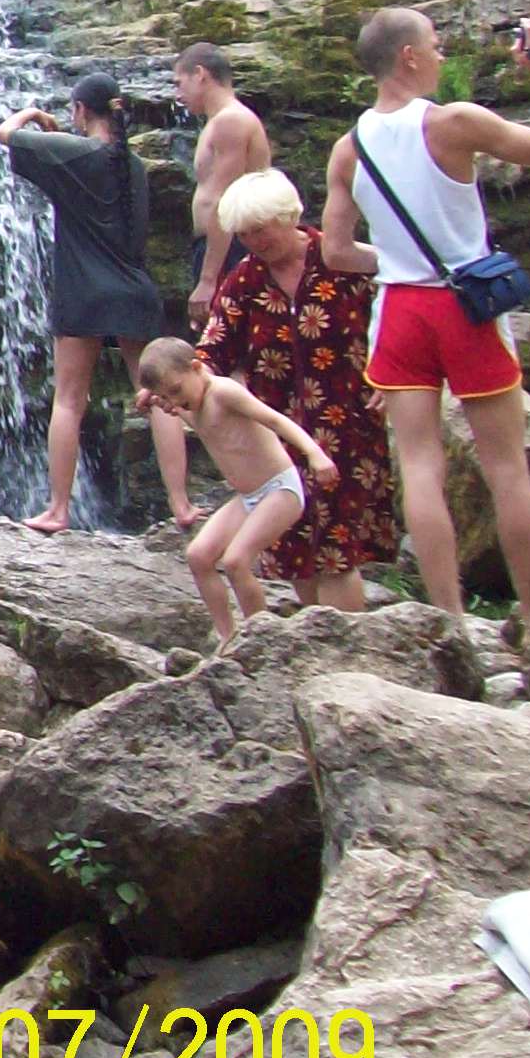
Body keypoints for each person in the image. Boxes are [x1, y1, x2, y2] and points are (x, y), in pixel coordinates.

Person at [320, 7, 530, 643]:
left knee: (420, 466)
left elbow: (337, 252)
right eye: (436, 47)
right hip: (462, 307)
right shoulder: (453, 123)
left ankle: (450, 627)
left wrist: (393, 260)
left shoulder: (350, 146)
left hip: (399, 312)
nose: (443, 57)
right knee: (505, 468)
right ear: (409, 58)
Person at [194, 167, 397, 614]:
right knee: (297, 551)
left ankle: (351, 655)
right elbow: (212, 350)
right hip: (280, 438)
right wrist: (177, 386)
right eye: (243, 235)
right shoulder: (245, 281)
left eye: (260, 230)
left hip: (348, 425)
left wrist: (391, 371)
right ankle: (318, 650)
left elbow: (395, 315)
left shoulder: (341, 259)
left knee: (337, 553)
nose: (253, 242)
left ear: (289, 217)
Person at [0, 75, 163, 534]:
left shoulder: (73, 152)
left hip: (85, 292)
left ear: (81, 111)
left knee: (70, 401)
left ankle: (58, 510)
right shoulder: (132, 165)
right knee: (158, 396)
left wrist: (33, 116)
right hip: (135, 289)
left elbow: (4, 134)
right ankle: (184, 503)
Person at [134, 336, 342, 643]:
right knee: (199, 555)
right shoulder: (190, 402)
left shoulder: (224, 392)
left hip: (279, 489)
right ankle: (228, 637)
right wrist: (154, 399)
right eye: (168, 396)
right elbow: (178, 403)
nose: (175, 401)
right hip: (249, 498)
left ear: (196, 367)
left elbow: (277, 421)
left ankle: (261, 639)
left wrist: (315, 454)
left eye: (176, 391)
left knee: (235, 561)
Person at [160, 44, 276, 526]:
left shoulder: (229, 122)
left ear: (201, 74)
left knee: (234, 366)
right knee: (229, 365)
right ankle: (259, 480)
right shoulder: (222, 122)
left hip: (229, 255)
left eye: (179, 81)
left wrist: (209, 279)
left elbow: (225, 205)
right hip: (222, 252)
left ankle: (264, 480)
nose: (177, 92)